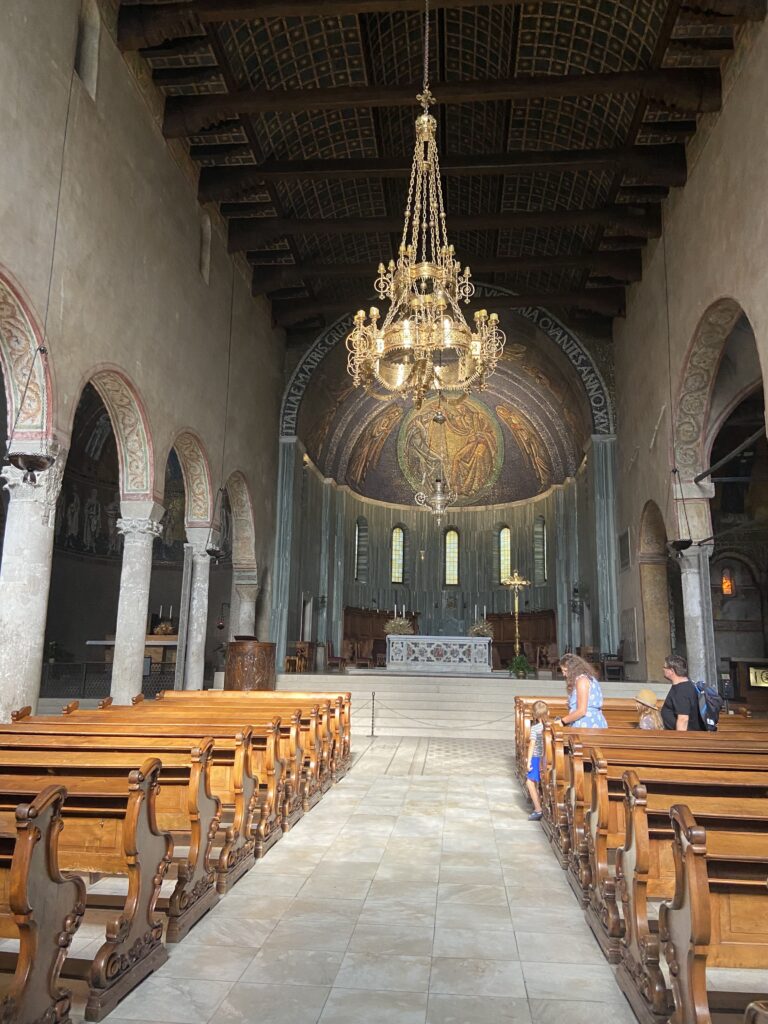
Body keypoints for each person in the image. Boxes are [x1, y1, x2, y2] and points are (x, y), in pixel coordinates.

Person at [554, 653, 608, 728]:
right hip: (593, 721)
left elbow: (581, 711)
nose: (564, 674)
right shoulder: (588, 678)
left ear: (573, 669)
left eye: (565, 671)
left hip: (587, 724)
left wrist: (562, 721)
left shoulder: (582, 680)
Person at [660, 654, 702, 731]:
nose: (663, 669)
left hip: (684, 738)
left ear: (671, 671)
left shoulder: (682, 690)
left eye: (664, 667)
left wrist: (680, 741)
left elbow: (683, 719)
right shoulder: (683, 686)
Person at [525, 699, 548, 821]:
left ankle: (538, 809)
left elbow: (532, 746)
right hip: (547, 758)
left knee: (530, 781)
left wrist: (528, 762)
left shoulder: (535, 729)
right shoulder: (550, 727)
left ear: (534, 715)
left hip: (536, 758)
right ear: (547, 713)